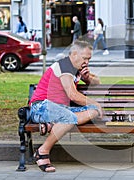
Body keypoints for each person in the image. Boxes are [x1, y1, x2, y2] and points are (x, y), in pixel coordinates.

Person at [29, 40, 103, 172]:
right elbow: (72, 95)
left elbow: (98, 81)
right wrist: (94, 102)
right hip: (41, 107)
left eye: (89, 59)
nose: (87, 62)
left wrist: (87, 78)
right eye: (85, 58)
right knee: (70, 117)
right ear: (74, 54)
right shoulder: (65, 66)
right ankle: (42, 151)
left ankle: (52, 124)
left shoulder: (77, 69)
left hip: (61, 109)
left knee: (93, 111)